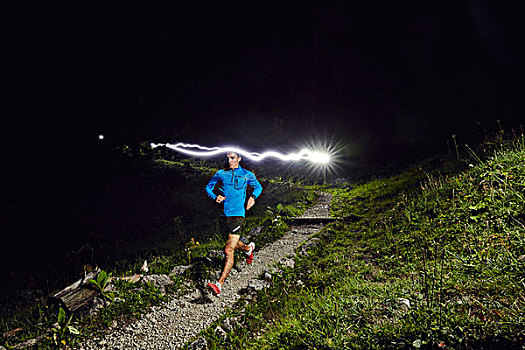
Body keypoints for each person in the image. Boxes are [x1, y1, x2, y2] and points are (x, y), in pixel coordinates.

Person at [205, 151, 263, 296]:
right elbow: (208, 187)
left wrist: (252, 198)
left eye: (232, 158)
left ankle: (219, 284)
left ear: (239, 159)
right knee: (233, 243)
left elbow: (258, 187)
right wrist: (215, 196)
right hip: (224, 215)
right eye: (228, 158)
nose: (229, 161)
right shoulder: (220, 173)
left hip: (238, 215)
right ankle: (248, 248)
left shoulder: (247, 174)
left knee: (228, 250)